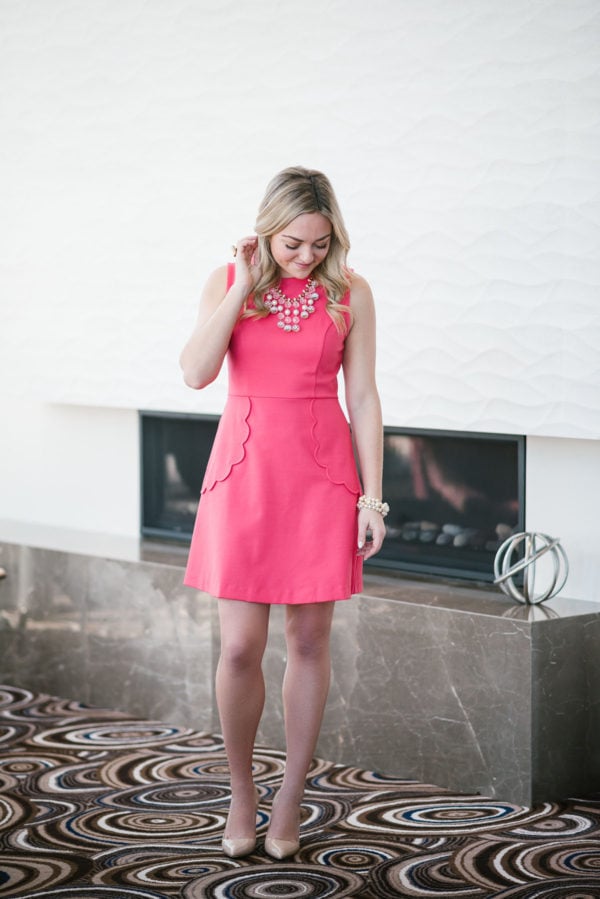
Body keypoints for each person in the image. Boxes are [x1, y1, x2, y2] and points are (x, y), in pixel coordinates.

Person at [179, 166, 388, 860]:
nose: (308, 256)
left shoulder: (352, 292)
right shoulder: (228, 281)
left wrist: (372, 497)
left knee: (309, 642)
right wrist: (242, 286)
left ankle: (290, 798)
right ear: (268, 229)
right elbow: (196, 371)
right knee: (239, 645)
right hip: (244, 472)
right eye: (294, 243)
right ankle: (242, 792)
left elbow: (363, 397)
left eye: (321, 244)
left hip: (322, 477)